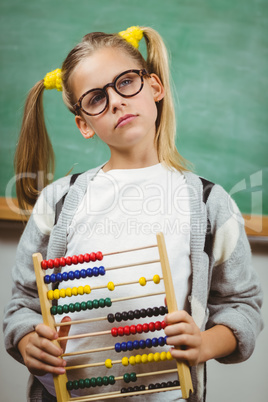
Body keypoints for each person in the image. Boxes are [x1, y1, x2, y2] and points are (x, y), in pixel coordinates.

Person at [3, 26, 263, 402]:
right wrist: (27, 339)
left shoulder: (209, 203)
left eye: (125, 82)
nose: (116, 102)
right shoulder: (60, 200)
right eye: (95, 98)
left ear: (154, 86)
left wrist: (205, 343)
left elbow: (243, 306)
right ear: (83, 124)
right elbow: (23, 303)